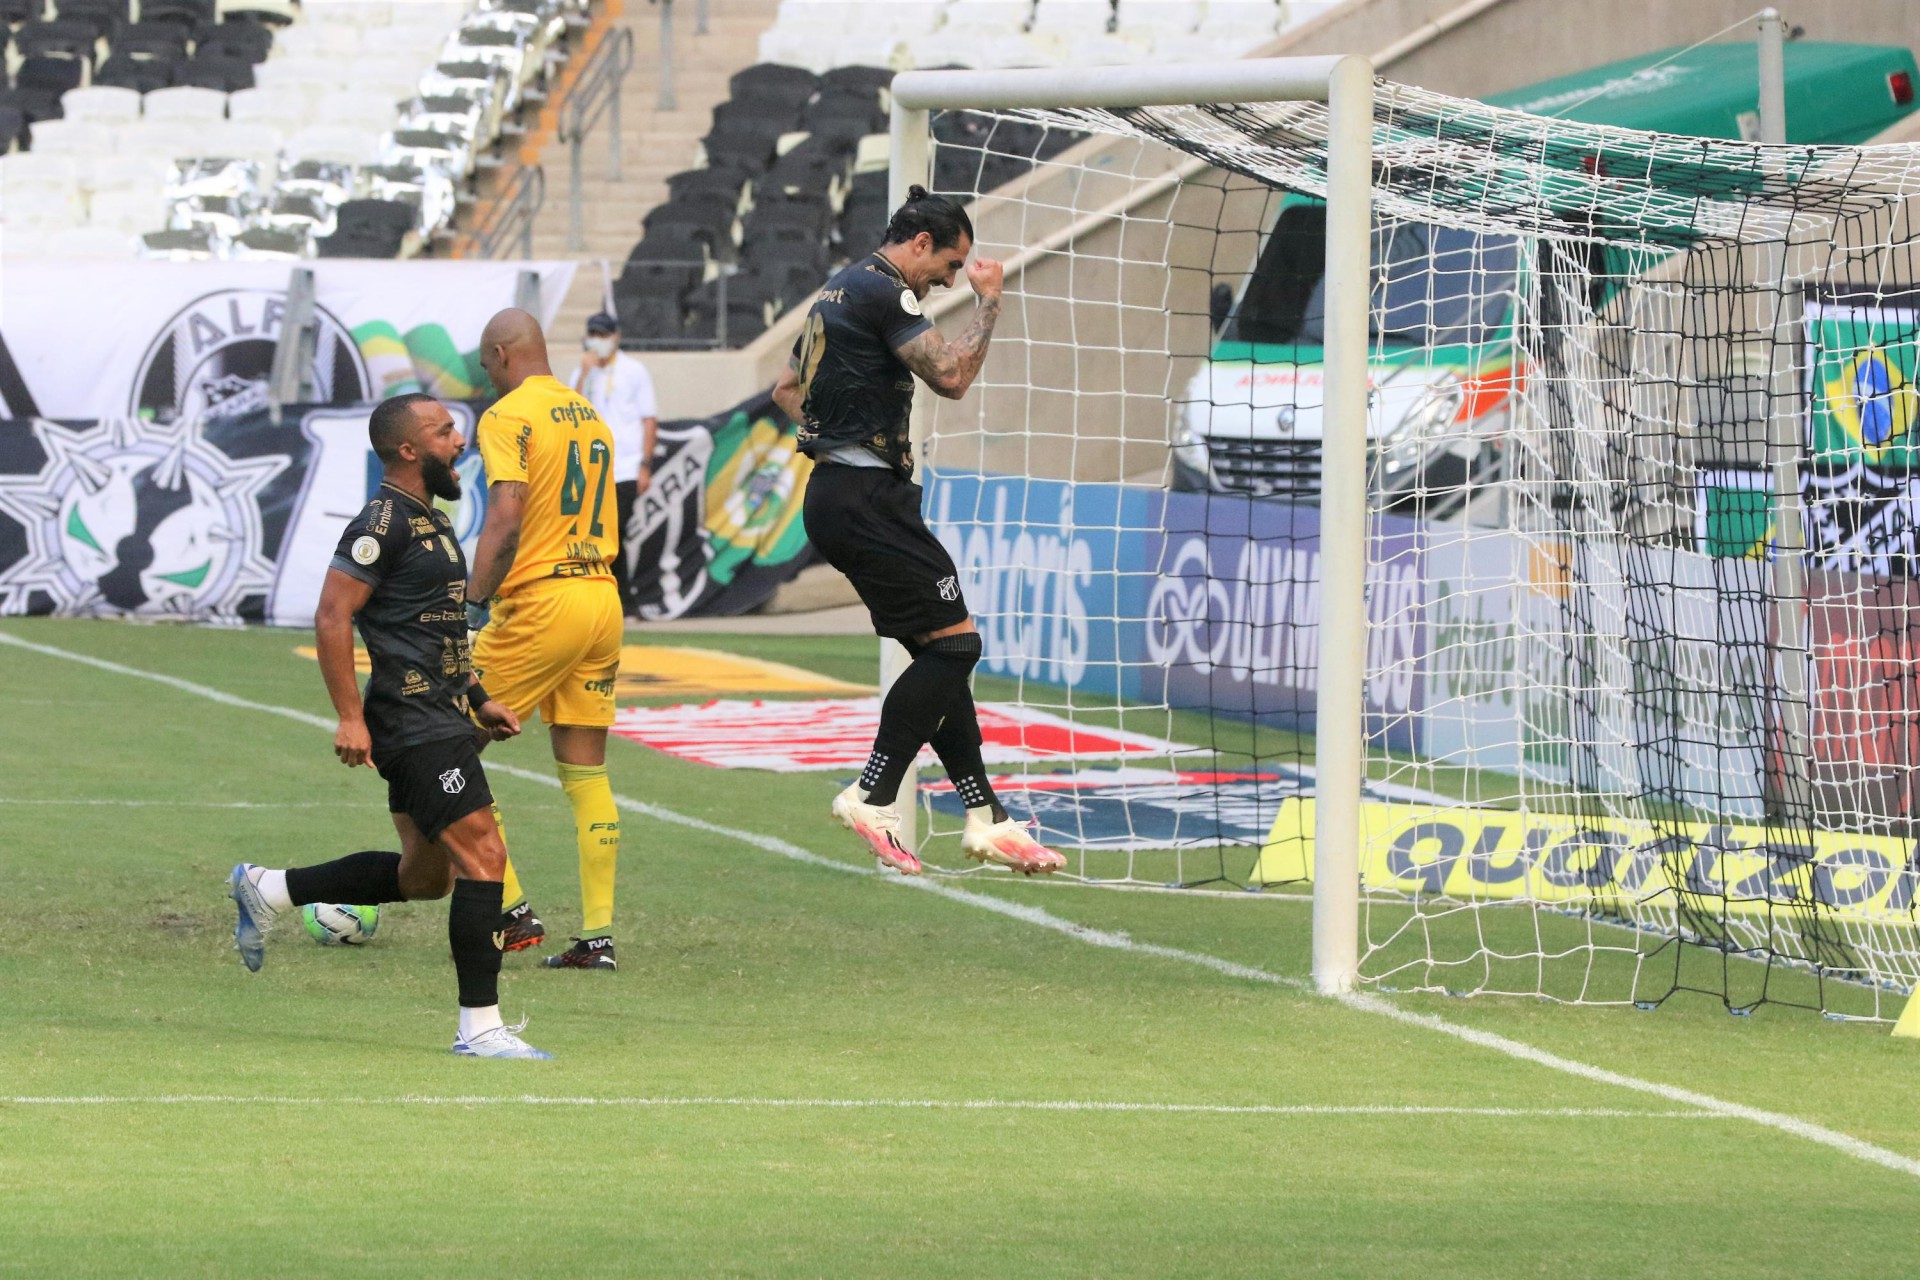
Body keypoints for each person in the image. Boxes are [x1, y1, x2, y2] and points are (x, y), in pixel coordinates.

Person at [226, 392, 552, 1059]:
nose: (459, 441)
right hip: (410, 717)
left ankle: (269, 888)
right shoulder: (382, 521)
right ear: (408, 449)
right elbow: (331, 615)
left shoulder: (431, 521)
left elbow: (434, 628)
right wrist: (350, 716)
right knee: (484, 854)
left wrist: (479, 694)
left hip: (442, 710)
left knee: (425, 878)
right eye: (444, 432)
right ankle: (480, 1028)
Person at [772, 186, 1064, 878]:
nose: (952, 279)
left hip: (839, 493)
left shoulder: (835, 292)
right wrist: (992, 301)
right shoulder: (884, 292)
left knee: (940, 655)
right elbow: (953, 376)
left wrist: (826, 436)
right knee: (958, 644)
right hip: (869, 496)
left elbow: (787, 389)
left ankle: (987, 815)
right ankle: (873, 792)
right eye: (952, 264)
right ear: (921, 244)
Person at [467, 307, 627, 972]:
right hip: (601, 598)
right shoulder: (588, 414)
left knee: (436, 741)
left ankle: (510, 906)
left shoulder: (508, 415)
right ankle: (598, 938)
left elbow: (506, 513)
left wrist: (469, 601)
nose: (488, 381)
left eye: (486, 368)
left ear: (504, 354)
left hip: (542, 600)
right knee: (586, 772)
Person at [568, 311, 659, 615]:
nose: (599, 341)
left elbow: (648, 419)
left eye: (604, 335)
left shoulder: (634, 370)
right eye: (594, 334)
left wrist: (645, 465)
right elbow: (571, 413)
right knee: (600, 535)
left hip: (626, 466)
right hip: (593, 468)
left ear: (616, 336)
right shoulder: (582, 372)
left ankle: (623, 598)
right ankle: (617, 599)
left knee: (615, 530)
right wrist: (582, 374)